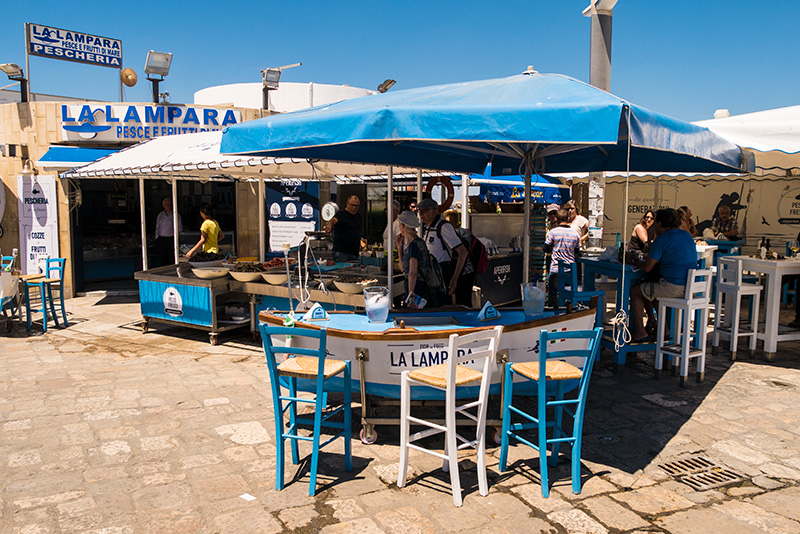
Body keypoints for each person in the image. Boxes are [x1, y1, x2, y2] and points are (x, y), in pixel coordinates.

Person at [629, 209, 698, 342]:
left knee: (636, 291)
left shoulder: (662, 239)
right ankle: (663, 328)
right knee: (652, 290)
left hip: (674, 287)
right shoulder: (687, 235)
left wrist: (636, 262)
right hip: (692, 286)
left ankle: (640, 331)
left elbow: (648, 267)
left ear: (659, 224)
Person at [418, 198, 471, 307]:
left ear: (434, 211)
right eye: (419, 210)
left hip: (442, 272)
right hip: (431, 273)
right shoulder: (427, 227)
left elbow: (463, 252)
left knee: (441, 306)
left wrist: (455, 278)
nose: (421, 214)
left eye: (425, 210)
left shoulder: (443, 227)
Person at [543, 209, 581, 308]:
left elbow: (545, 248)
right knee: (568, 294)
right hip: (569, 270)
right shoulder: (575, 233)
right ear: (568, 219)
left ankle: (552, 314)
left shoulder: (553, 232)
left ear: (557, 219)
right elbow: (577, 251)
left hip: (555, 269)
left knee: (553, 293)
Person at [397, 210, 432, 308]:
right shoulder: (420, 242)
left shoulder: (413, 246)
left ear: (403, 227)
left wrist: (410, 296)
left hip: (416, 288)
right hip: (420, 286)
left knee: (412, 317)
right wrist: (399, 248)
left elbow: (413, 273)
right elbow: (403, 269)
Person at [324, 195, 362, 262]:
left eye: (356, 206)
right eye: (352, 205)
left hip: (354, 253)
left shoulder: (358, 216)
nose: (354, 208)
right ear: (347, 203)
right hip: (342, 252)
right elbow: (333, 220)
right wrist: (329, 224)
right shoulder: (341, 215)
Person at [154, 197, 183, 266]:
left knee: (172, 258)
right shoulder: (160, 215)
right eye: (166, 204)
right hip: (161, 239)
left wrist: (177, 239)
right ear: (163, 205)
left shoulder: (176, 215)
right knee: (163, 258)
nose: (168, 206)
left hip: (171, 239)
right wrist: (157, 237)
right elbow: (157, 227)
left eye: (170, 204)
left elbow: (179, 228)